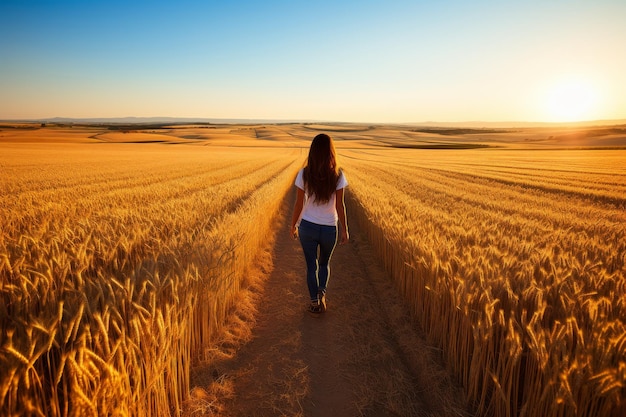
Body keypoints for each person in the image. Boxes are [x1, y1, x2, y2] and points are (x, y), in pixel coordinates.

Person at [291, 133, 349, 314]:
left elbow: (299, 204)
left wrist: (293, 225)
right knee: (324, 264)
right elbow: (340, 205)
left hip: (308, 227)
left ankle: (314, 301)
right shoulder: (338, 175)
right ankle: (322, 292)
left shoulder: (304, 174)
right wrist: (345, 230)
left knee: (311, 266)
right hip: (329, 228)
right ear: (331, 152)